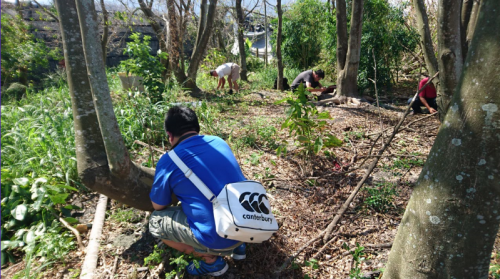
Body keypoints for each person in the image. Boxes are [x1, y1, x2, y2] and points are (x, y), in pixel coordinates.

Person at [149, 106, 246, 276]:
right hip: (246, 226)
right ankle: (240, 246)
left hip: (217, 238)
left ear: (170, 136)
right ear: (197, 128)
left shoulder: (168, 160)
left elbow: (158, 205)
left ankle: (210, 261)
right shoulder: (219, 142)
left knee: (156, 222)